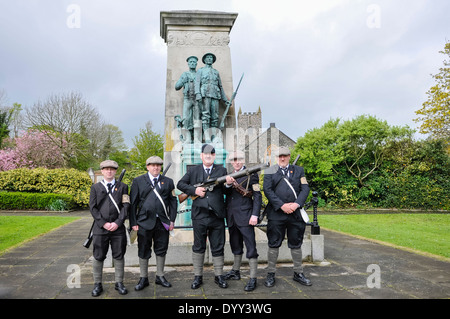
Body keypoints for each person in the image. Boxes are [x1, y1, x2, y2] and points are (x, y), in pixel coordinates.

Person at [177, 144, 229, 289]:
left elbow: (225, 190)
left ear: (214, 156)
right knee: (199, 246)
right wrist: (195, 190)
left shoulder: (222, 170)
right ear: (201, 156)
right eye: (206, 154)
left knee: (218, 246)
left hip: (217, 215)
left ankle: (219, 276)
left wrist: (229, 184)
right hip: (199, 215)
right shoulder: (193, 171)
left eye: (211, 154)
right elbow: (180, 184)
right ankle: (197, 277)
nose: (208, 156)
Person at [263, 146, 312, 287]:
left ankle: (298, 273)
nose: (282, 158)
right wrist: (282, 205)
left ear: (289, 156)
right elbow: (267, 189)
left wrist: (296, 204)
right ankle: (271, 274)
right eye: (279, 156)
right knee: (273, 244)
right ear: (276, 157)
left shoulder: (299, 170)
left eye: (284, 156)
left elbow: (305, 188)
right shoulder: (270, 170)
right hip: (276, 214)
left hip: (295, 214)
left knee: (296, 244)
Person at [129, 156, 177, 289]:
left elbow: (173, 202)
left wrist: (172, 220)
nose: (156, 167)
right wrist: (133, 222)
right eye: (152, 165)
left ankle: (160, 276)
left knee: (161, 249)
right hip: (144, 222)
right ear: (147, 167)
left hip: (162, 222)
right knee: (143, 249)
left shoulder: (168, 182)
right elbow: (133, 203)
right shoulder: (138, 181)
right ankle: (143, 278)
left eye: (158, 165)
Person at [89, 160, 129, 297]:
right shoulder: (95, 188)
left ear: (115, 171)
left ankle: (119, 283)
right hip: (101, 228)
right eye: (106, 169)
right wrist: (103, 223)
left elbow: (126, 206)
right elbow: (92, 208)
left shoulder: (123, 187)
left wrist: (118, 222)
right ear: (102, 171)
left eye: (112, 169)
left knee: (119, 255)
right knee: (98, 256)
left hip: (118, 228)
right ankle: (97, 284)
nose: (109, 171)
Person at [224, 150, 262, 291]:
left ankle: (253, 278)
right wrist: (228, 185)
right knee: (235, 244)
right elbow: (226, 194)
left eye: (239, 159)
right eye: (234, 160)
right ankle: (235, 271)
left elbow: (257, 196)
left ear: (243, 160)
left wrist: (255, 215)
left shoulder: (252, 175)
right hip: (232, 217)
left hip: (246, 216)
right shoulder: (228, 176)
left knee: (251, 247)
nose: (237, 162)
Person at [194, 53, 230, 142]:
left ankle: (213, 136)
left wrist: (225, 99)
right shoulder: (200, 71)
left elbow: (220, 86)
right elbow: (197, 83)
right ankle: (206, 137)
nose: (209, 59)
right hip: (205, 94)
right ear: (205, 60)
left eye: (211, 58)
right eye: (208, 58)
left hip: (215, 94)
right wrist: (198, 93)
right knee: (205, 115)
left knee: (215, 117)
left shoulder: (216, 72)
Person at [175, 56, 201, 143]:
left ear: (196, 63)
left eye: (194, 62)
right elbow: (177, 87)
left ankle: (197, 139)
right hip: (187, 99)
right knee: (186, 119)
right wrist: (183, 81)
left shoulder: (199, 74)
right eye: (191, 62)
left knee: (197, 119)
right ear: (188, 64)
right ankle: (188, 138)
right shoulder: (185, 74)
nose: (193, 63)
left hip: (197, 100)